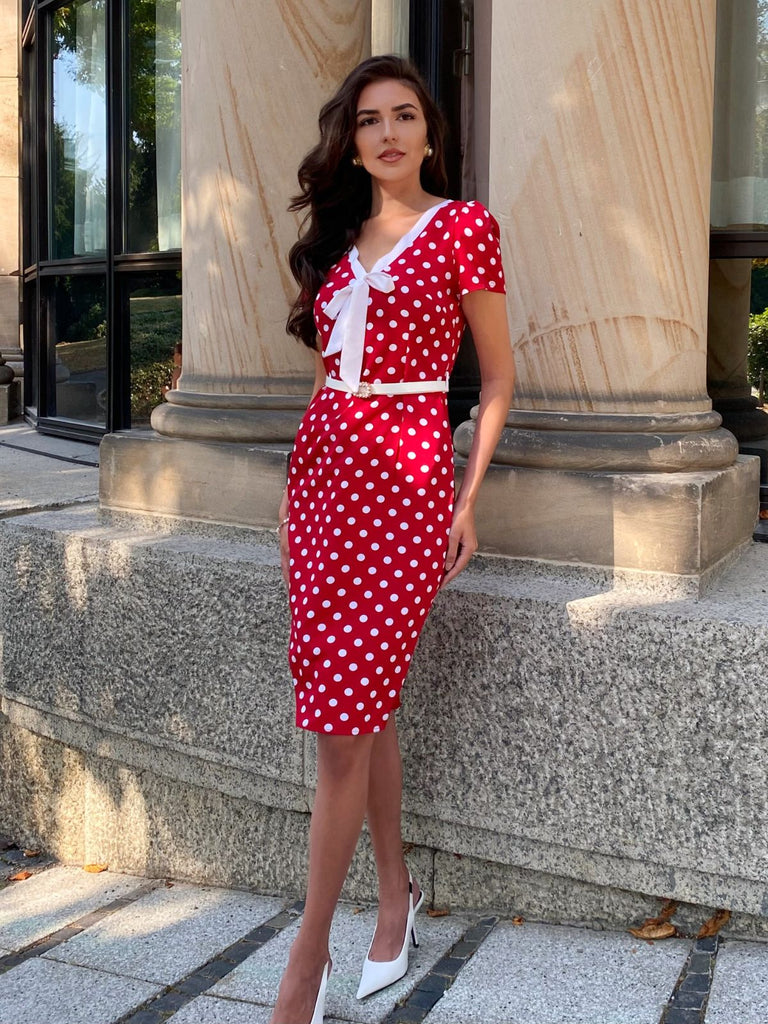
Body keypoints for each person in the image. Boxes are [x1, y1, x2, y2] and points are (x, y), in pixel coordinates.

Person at [272, 54, 515, 1024]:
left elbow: (496, 381)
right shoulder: (337, 246)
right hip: (324, 480)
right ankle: (396, 897)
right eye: (369, 119)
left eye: (405, 115)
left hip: (408, 486)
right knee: (357, 706)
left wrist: (466, 498)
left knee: (344, 723)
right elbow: (330, 374)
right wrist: (299, 494)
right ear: (354, 140)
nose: (387, 133)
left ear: (428, 130)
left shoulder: (464, 227)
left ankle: (305, 960)